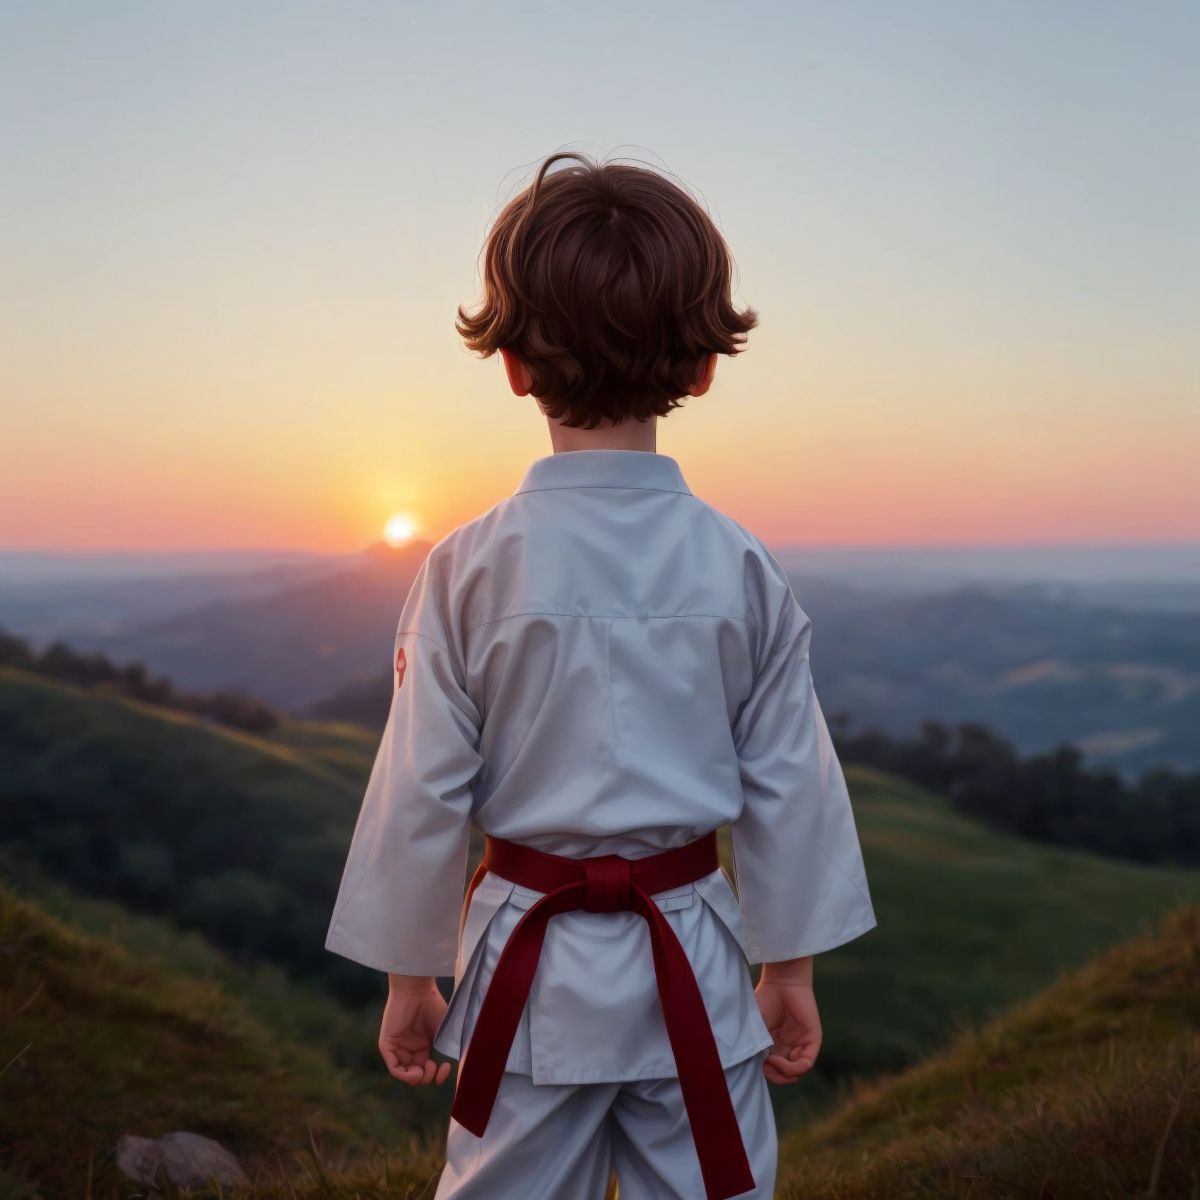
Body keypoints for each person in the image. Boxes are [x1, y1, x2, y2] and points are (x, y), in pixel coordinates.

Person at [324, 150, 878, 1200]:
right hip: (699, 973)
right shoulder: (742, 566)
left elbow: (420, 791)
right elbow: (792, 788)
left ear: (515, 364)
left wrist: (410, 972)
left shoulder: (465, 569)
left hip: (524, 986)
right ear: (701, 365)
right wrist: (789, 967)